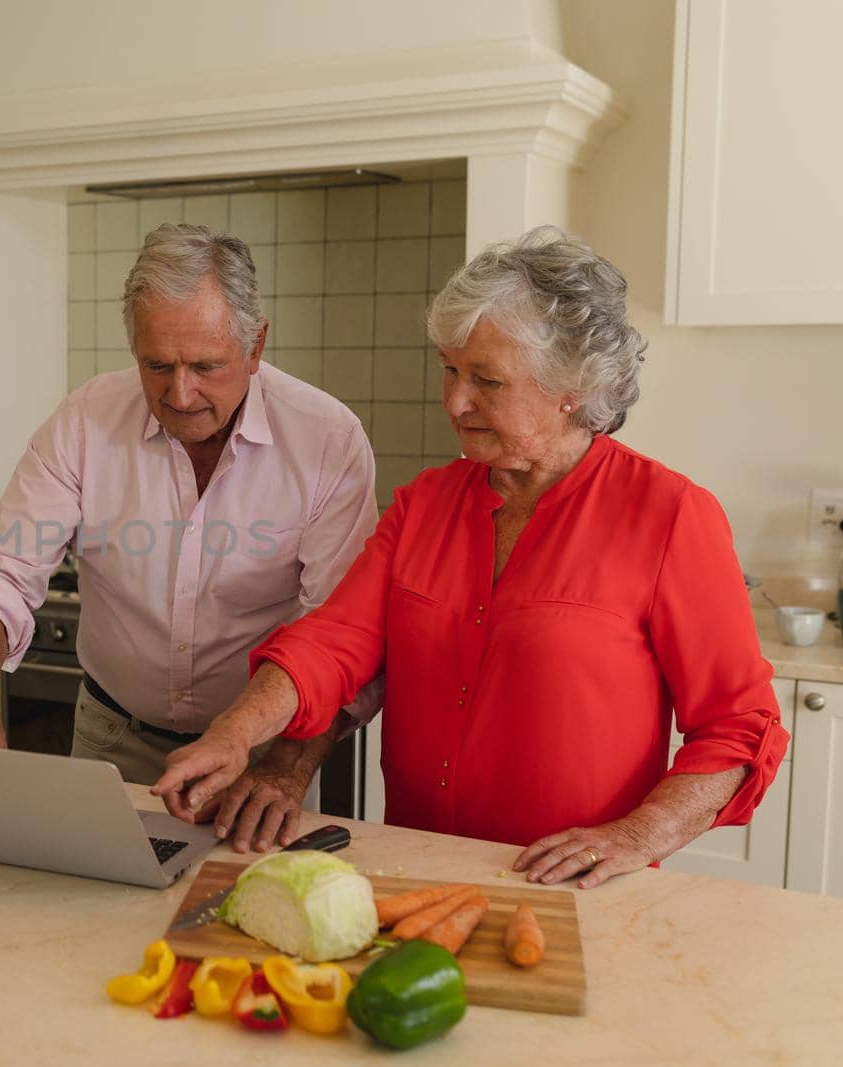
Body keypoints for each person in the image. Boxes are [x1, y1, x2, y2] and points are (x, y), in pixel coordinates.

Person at [152, 226, 790, 888]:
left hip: (576, 893)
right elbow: (331, 644)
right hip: (417, 873)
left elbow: (739, 729)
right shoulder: (424, 504)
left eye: (486, 379)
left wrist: (634, 836)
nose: (455, 401)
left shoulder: (669, 515)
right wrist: (234, 734)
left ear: (571, 385)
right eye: (449, 369)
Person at [0, 223, 381, 852]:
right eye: (157, 365)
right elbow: (2, 571)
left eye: (206, 366)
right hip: (109, 741)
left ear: (256, 345)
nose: (179, 394)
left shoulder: (326, 439)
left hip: (262, 757)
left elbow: (340, 634)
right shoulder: (86, 420)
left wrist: (285, 768)